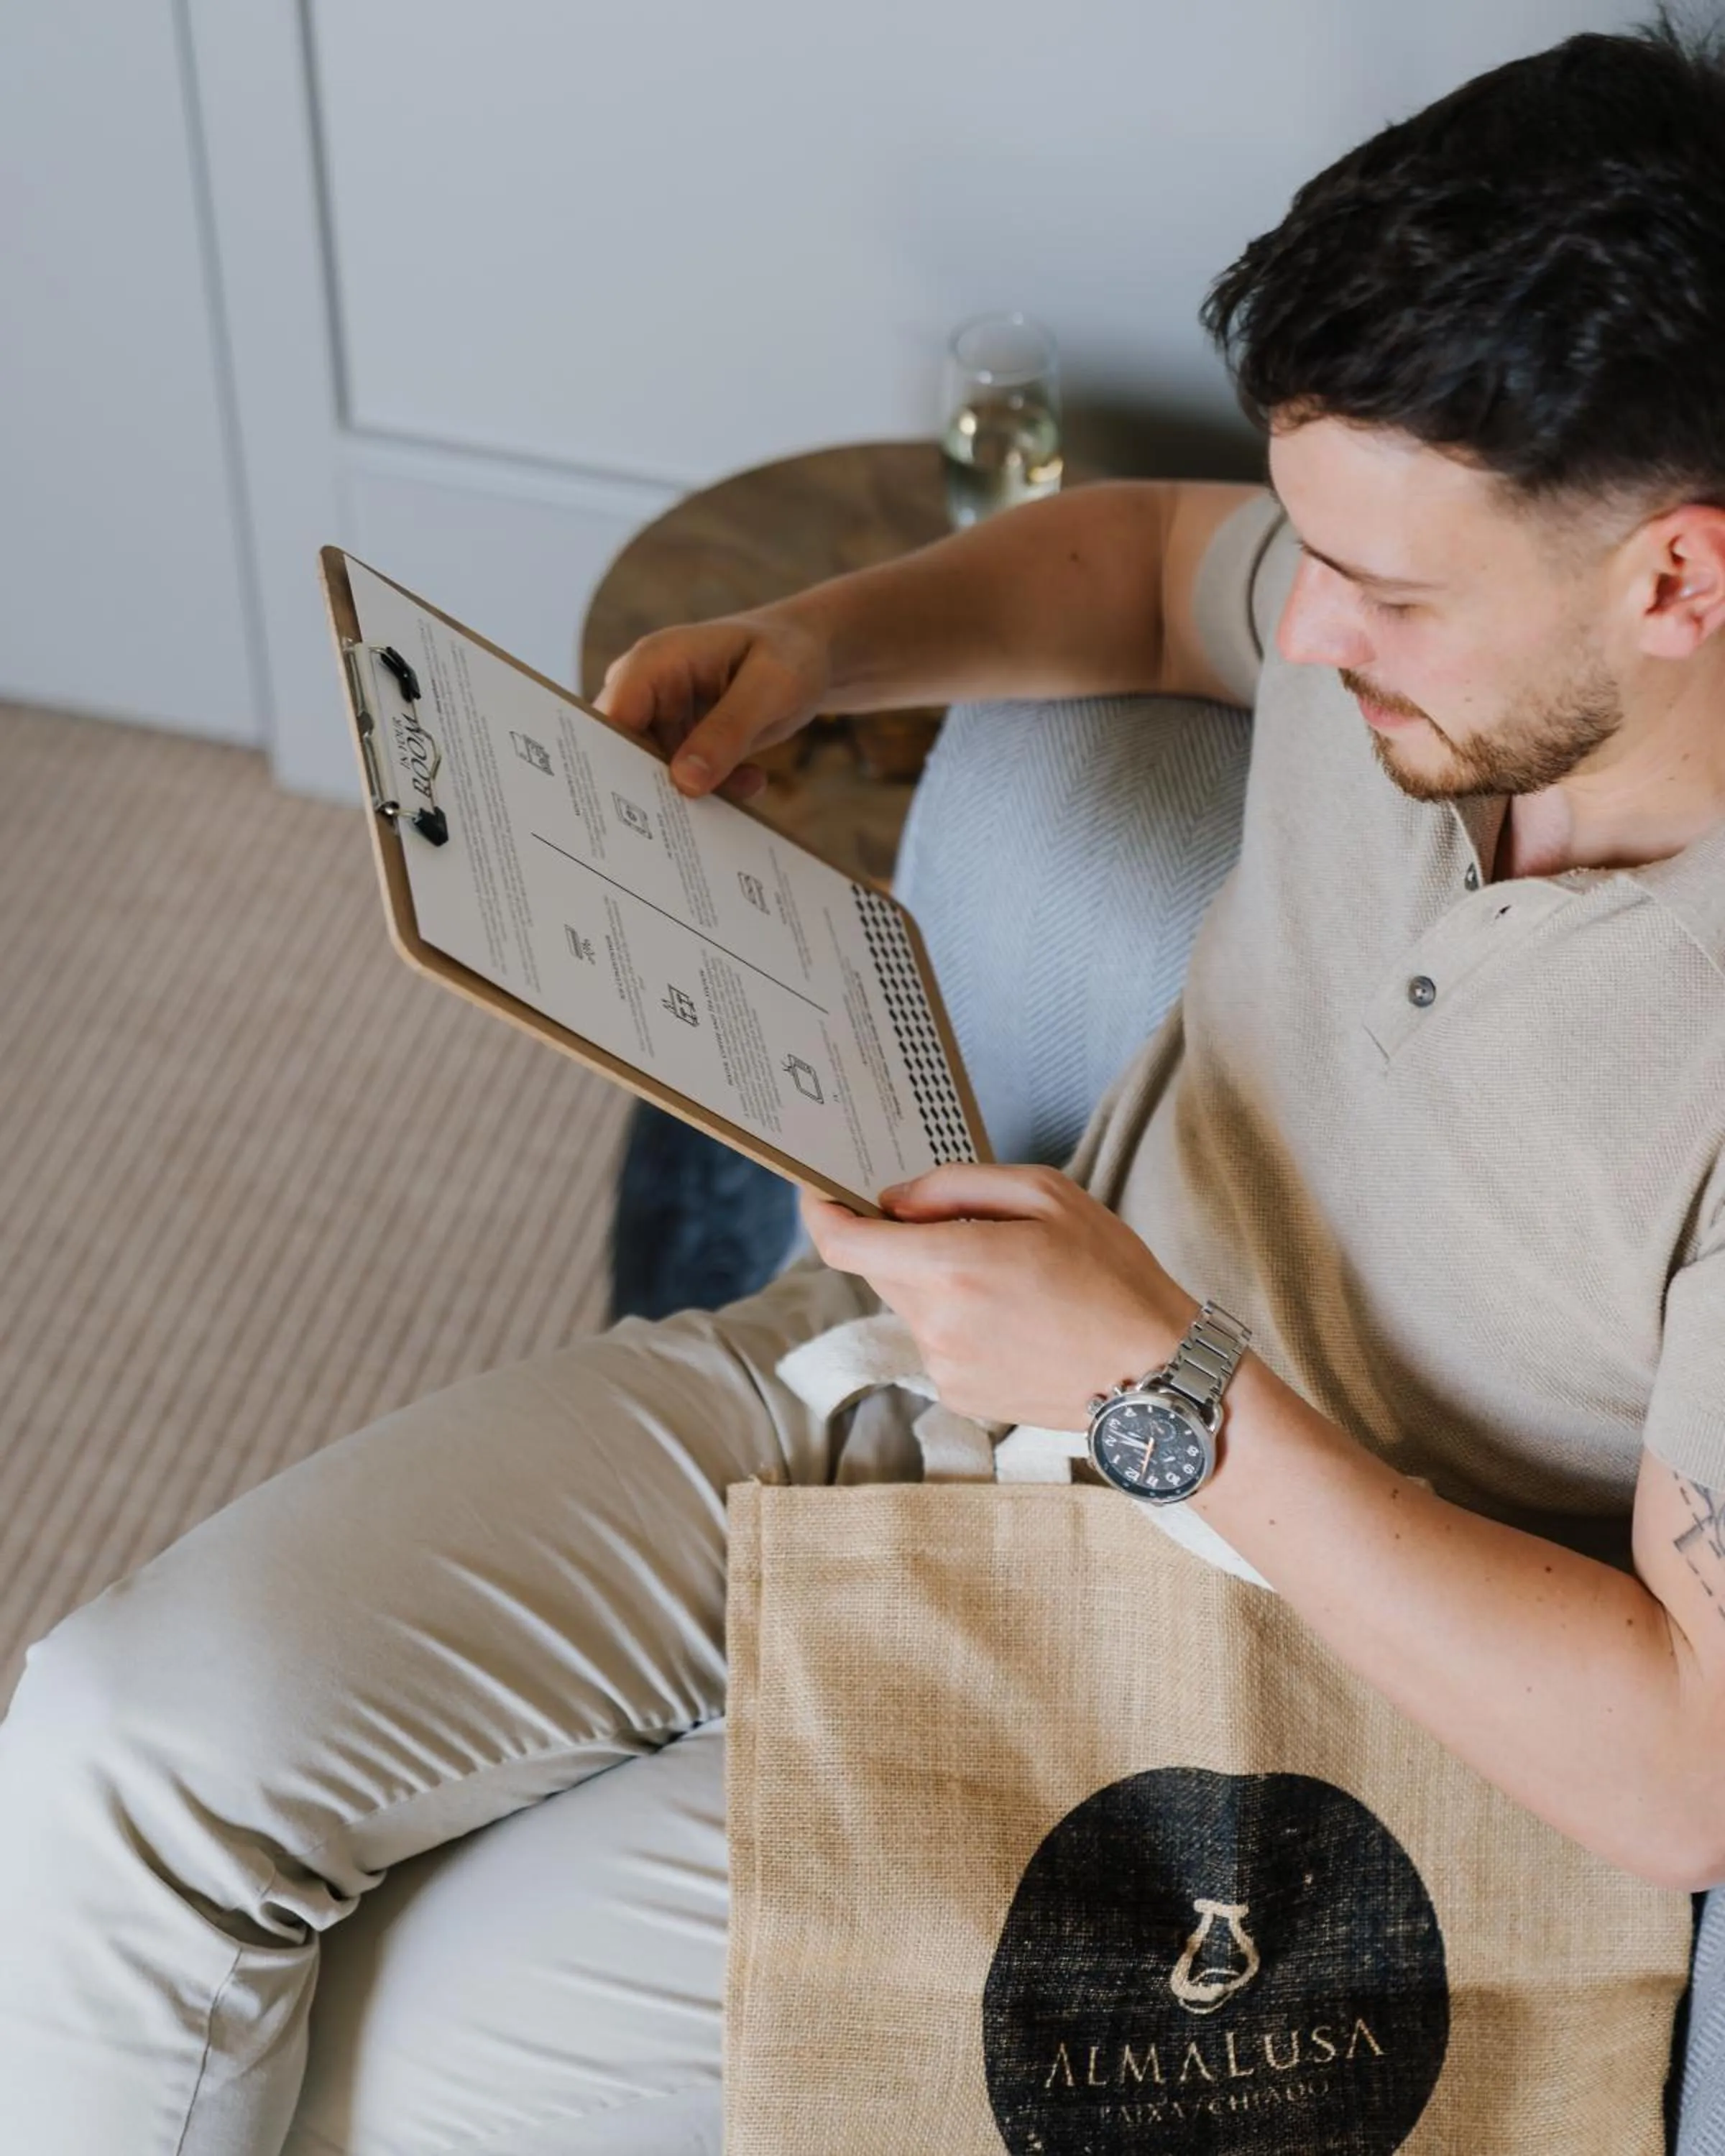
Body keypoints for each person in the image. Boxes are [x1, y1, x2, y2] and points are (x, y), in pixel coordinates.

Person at [4, 15, 1725, 2152]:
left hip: (1237, 1709)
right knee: (108, 1754)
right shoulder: (1438, 611)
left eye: (1381, 596)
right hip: (913, 1377)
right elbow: (1148, 567)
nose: (1307, 637)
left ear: (1678, 574)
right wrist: (821, 648)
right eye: (1319, 558)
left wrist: (1160, 1386)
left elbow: (1686, 1773)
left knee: (378, 2058)